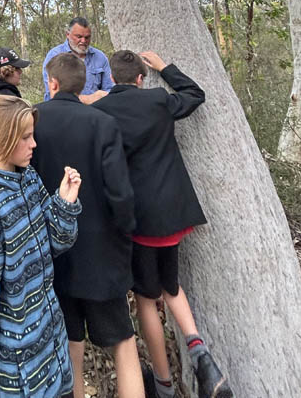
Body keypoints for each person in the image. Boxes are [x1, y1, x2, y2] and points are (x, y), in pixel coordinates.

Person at [95, 50, 233, 398]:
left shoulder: (102, 111)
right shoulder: (157, 99)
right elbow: (194, 94)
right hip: (172, 214)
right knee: (170, 286)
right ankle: (200, 353)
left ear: (111, 78)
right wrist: (165, 67)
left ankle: (163, 384)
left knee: (146, 298)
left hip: (138, 219)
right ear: (141, 79)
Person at [33, 52, 144, 398]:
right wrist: (126, 235)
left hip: (53, 255)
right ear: (83, 85)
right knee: (123, 341)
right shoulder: (103, 123)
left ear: (52, 83)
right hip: (102, 253)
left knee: (70, 343)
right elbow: (120, 193)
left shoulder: (32, 120)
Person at [0, 93, 82, 398]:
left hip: (51, 349)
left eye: (32, 135)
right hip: (19, 376)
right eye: (25, 137)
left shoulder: (28, 179)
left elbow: (55, 244)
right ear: (2, 139)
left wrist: (64, 203)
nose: (34, 144)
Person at [42, 16, 113, 101]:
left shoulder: (100, 57)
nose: (83, 41)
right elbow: (52, 93)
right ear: (67, 34)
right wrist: (87, 99)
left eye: (87, 37)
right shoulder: (54, 55)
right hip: (63, 107)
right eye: (79, 37)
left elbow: (109, 89)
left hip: (95, 108)